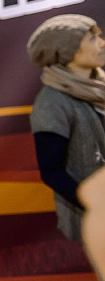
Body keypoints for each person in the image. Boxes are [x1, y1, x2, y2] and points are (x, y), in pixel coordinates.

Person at [27, 14, 105, 243]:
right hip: (92, 225)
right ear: (67, 50)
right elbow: (51, 171)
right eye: (92, 39)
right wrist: (95, 205)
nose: (102, 43)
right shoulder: (52, 101)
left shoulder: (100, 86)